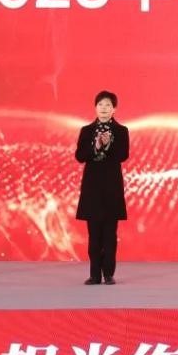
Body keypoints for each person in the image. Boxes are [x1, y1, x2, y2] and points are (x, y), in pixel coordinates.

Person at [75, 90, 130, 285]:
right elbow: (80, 156)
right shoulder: (86, 130)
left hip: (112, 188)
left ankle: (108, 274)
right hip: (92, 188)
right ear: (95, 107)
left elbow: (123, 155)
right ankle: (94, 274)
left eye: (108, 105)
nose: (104, 108)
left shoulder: (121, 131)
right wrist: (97, 146)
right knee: (94, 235)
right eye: (100, 105)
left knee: (109, 235)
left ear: (114, 109)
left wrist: (108, 145)